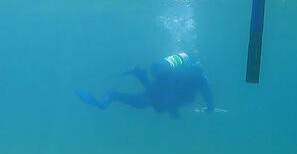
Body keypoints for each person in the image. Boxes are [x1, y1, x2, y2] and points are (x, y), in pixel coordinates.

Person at [77, 53, 214, 119]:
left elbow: (176, 93)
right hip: (162, 93)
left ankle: (118, 92)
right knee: (145, 102)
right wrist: (210, 107)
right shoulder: (200, 78)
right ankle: (134, 79)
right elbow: (205, 94)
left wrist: (174, 110)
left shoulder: (192, 76)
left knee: (145, 102)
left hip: (162, 92)